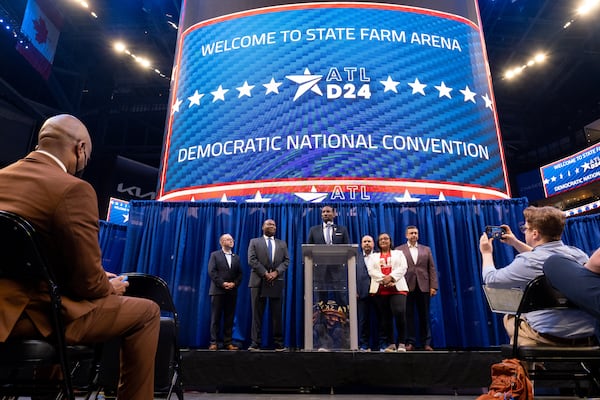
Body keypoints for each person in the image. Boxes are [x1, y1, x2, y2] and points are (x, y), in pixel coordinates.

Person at [0, 114, 160, 400]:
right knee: (147, 312)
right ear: (80, 148)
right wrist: (107, 286)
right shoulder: (73, 189)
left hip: (7, 312)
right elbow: (88, 282)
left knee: (60, 304)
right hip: (34, 315)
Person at [479, 205, 596, 346]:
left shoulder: (527, 262)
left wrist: (486, 253)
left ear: (535, 234)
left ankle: (525, 363)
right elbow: (545, 256)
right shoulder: (578, 254)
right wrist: (515, 242)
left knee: (510, 318)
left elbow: (491, 279)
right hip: (588, 334)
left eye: (525, 228)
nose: (524, 232)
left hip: (550, 336)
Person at [247, 219, 290, 351]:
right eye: (268, 224)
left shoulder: (282, 244)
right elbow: (252, 260)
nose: (271, 226)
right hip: (258, 282)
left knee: (277, 314)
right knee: (257, 314)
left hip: (276, 282)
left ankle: (278, 343)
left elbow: (286, 261)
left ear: (276, 228)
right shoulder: (254, 242)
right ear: (262, 227)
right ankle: (255, 343)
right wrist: (265, 273)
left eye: (273, 225)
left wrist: (276, 272)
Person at [395, 226, 438, 351]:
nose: (414, 235)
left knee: (424, 315)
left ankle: (426, 343)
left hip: (424, 287)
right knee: (408, 316)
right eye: (411, 233)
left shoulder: (426, 249)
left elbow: (432, 268)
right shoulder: (399, 250)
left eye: (416, 233)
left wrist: (433, 286)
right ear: (406, 235)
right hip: (406, 286)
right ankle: (410, 342)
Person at [366, 233, 409, 352]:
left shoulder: (399, 254)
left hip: (397, 288)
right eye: (381, 239)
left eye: (386, 239)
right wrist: (384, 280)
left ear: (390, 241)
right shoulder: (373, 257)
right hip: (380, 289)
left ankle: (401, 343)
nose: (383, 241)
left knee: (399, 312)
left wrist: (391, 278)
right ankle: (391, 343)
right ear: (378, 242)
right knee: (385, 317)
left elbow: (403, 267)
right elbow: (371, 271)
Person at [544, 248, 600, 321]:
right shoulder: (579, 253)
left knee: (554, 262)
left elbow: (597, 262)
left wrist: (586, 271)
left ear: (535, 235)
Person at [208, 233, 243, 350]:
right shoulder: (215, 255)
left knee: (229, 317)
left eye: (232, 239)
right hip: (218, 291)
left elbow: (240, 274)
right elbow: (212, 272)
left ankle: (228, 342)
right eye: (228, 239)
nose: (231, 241)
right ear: (222, 242)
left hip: (232, 292)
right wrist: (222, 284)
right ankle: (214, 342)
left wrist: (234, 283)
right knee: (215, 317)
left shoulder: (236, 257)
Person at [357, 235, 375, 351]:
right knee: (363, 321)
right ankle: (364, 344)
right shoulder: (355, 257)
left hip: (379, 293)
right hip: (361, 293)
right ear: (361, 244)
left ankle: (382, 344)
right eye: (364, 241)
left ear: (373, 243)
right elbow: (351, 274)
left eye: (369, 241)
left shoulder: (379, 256)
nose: (367, 243)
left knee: (381, 318)